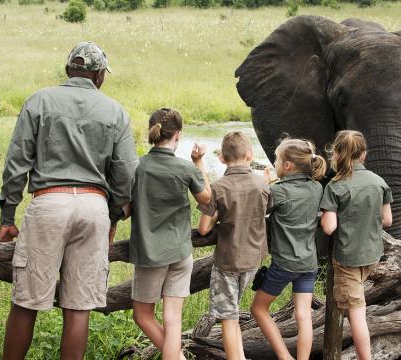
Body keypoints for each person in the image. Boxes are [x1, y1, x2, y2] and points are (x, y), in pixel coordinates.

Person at [0, 42, 138, 360]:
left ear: (67, 71)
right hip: (93, 207)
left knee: (25, 301)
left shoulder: (39, 100)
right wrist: (113, 215)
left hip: (48, 203)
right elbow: (127, 173)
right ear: (100, 76)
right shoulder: (115, 111)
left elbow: (16, 162)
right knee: (78, 307)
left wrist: (7, 217)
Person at [128, 108, 211, 360]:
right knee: (173, 318)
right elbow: (208, 199)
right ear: (178, 135)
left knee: (143, 315)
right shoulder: (185, 168)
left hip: (150, 254)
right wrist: (198, 162)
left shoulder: (137, 167)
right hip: (180, 252)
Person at [250, 138, 327, 360]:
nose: (274, 163)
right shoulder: (315, 188)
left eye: (276, 159)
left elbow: (257, 209)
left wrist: (264, 185)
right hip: (309, 263)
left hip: (284, 264)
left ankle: (285, 357)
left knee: (258, 309)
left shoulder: (279, 191)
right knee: (303, 315)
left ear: (287, 165)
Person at [197, 131, 270, 360]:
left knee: (228, 319)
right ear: (250, 155)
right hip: (254, 259)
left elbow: (203, 229)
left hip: (229, 260)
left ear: (222, 159)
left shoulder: (220, 187)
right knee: (234, 313)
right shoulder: (262, 184)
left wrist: (219, 212)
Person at [320, 130, 393, 360]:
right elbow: (388, 220)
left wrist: (325, 214)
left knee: (356, 315)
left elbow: (329, 228)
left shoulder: (335, 186)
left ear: (337, 154)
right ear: (363, 154)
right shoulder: (378, 181)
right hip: (371, 255)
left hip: (347, 260)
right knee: (355, 309)